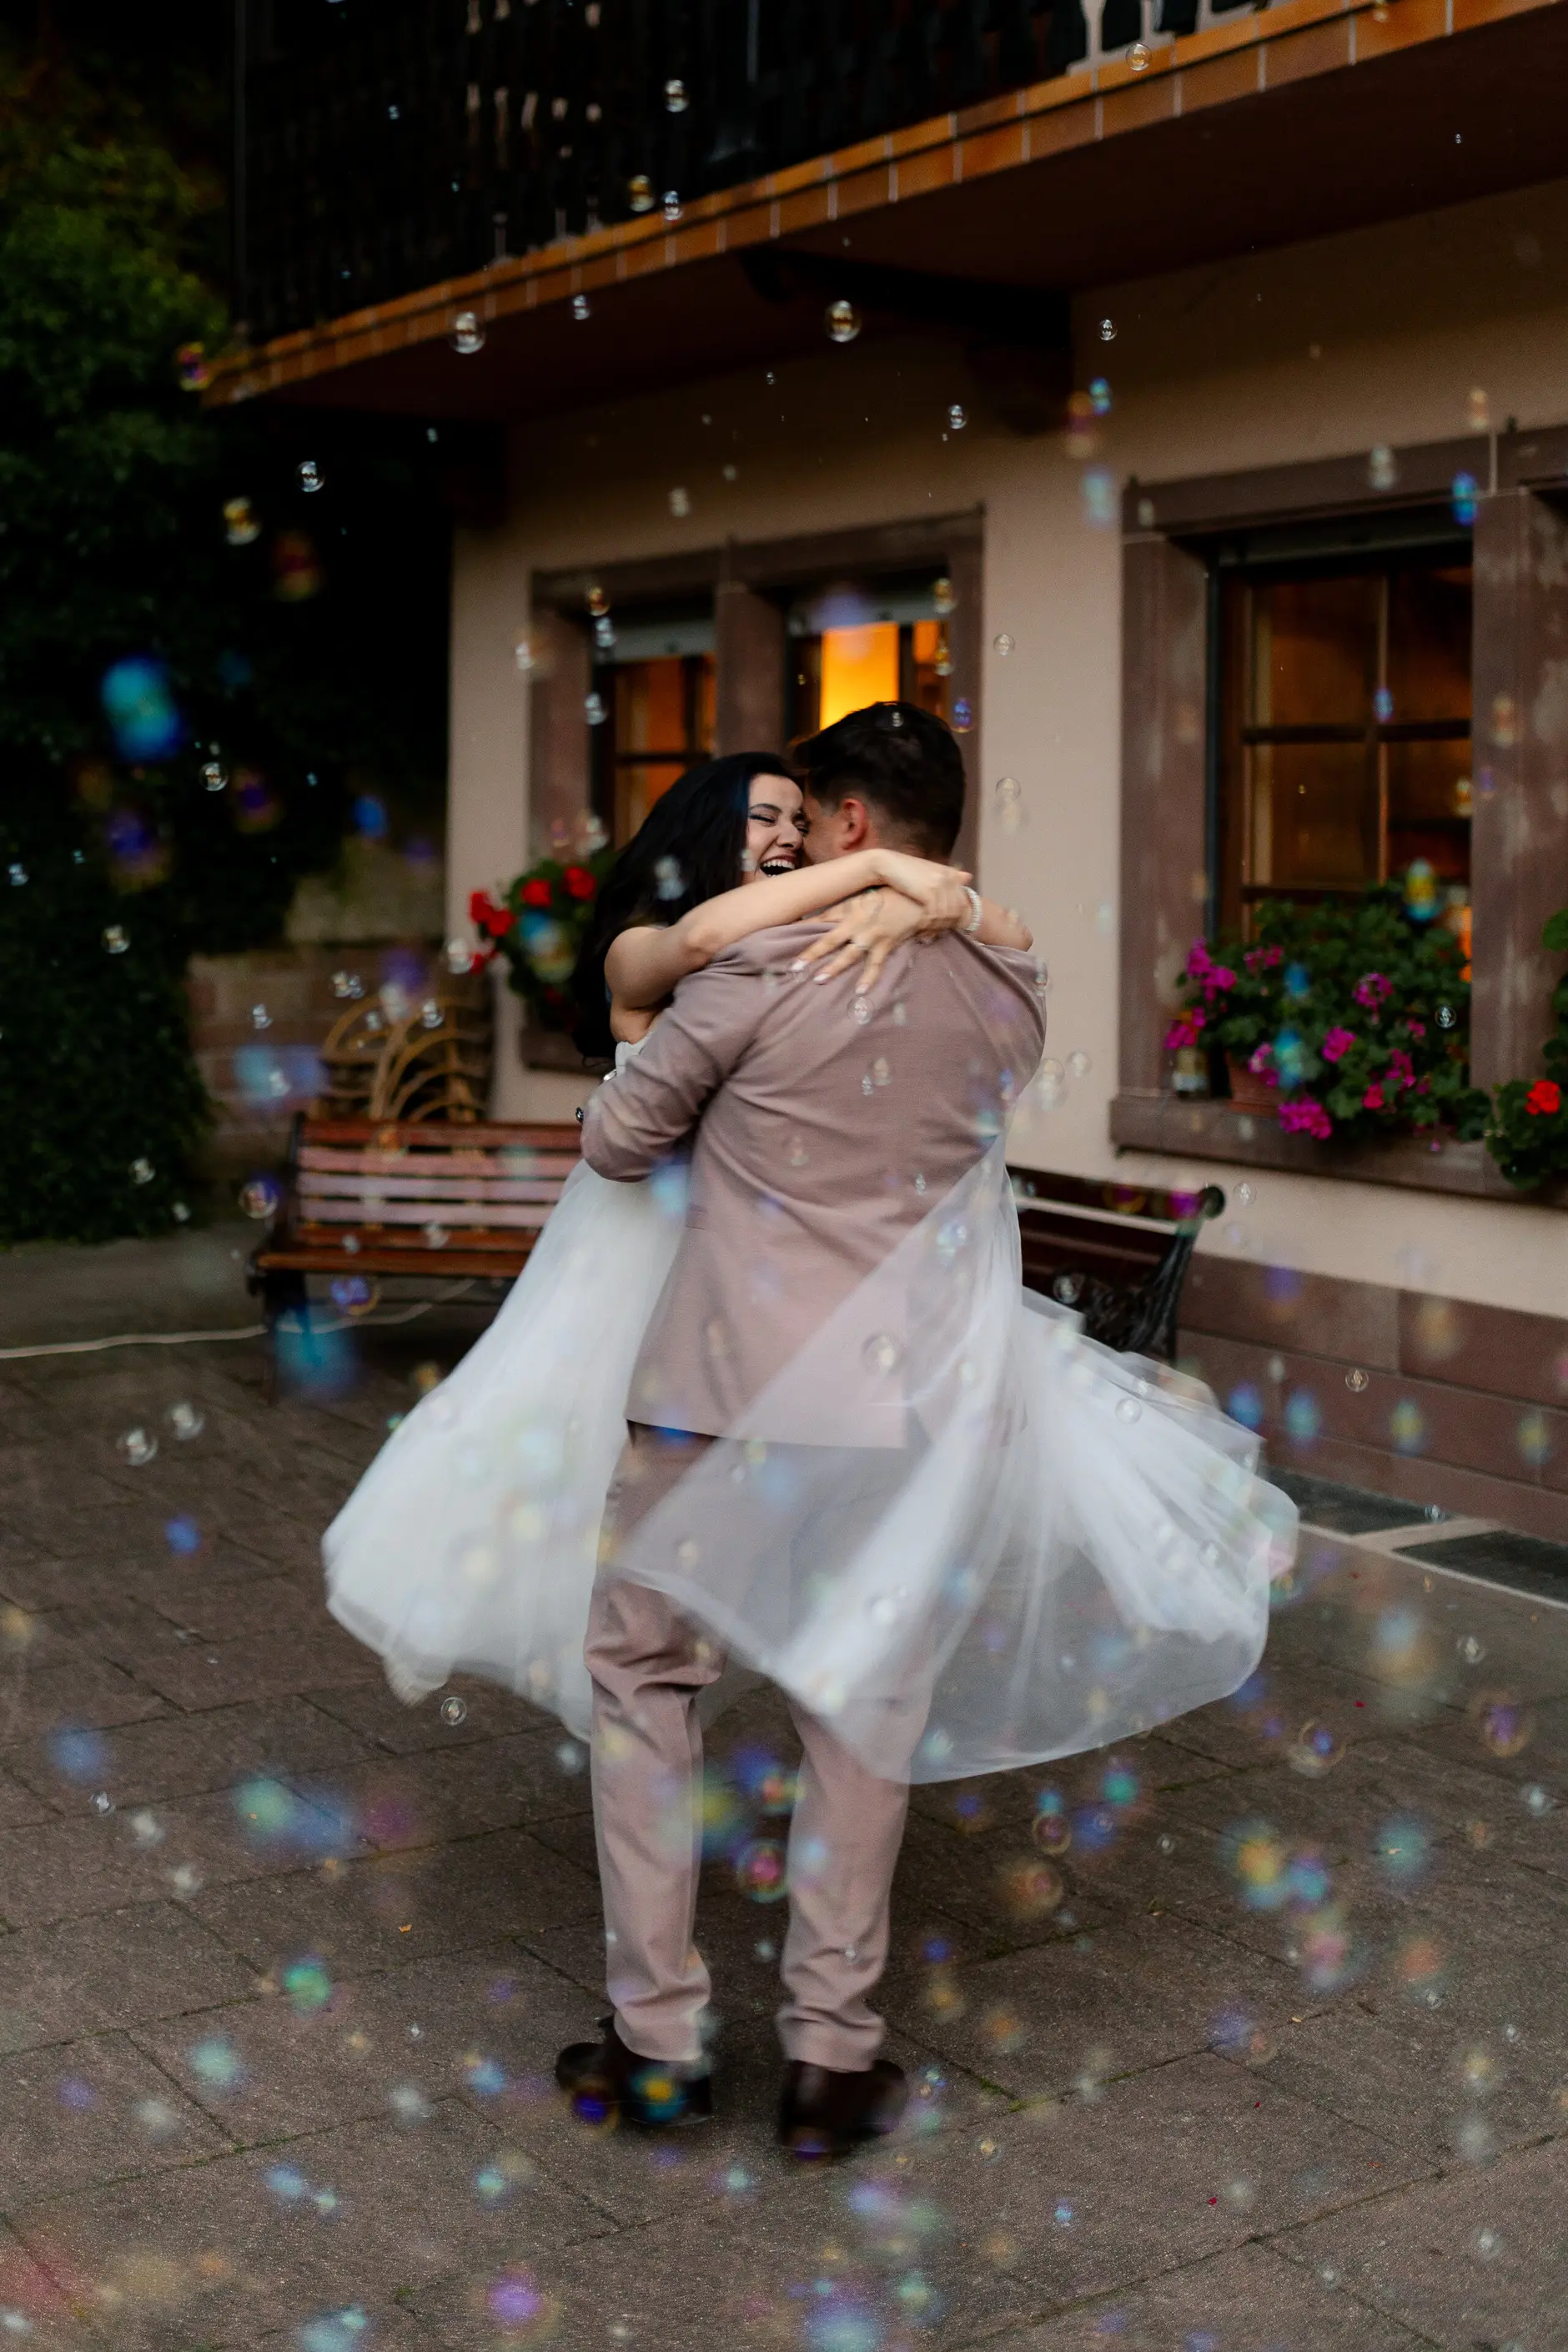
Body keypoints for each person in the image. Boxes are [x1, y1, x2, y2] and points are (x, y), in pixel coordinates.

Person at [555, 703, 1296, 2159]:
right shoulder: (1011, 986)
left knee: (646, 1681)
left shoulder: (758, 963)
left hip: (716, 1389)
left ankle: (658, 2049)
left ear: (841, 829)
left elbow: (616, 1141)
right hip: (901, 1407)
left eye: (808, 822)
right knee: (864, 1704)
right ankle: (832, 2065)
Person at [323, 746, 1027, 1726]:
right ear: (705, 830)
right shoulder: (648, 943)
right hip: (648, 1239)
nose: (784, 837)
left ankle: (668, 1686)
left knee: (729, 1517)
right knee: (598, 1477)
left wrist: (907, 898)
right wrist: (873, 870)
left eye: (796, 819)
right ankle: (643, 1683)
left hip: (744, 1257)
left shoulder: (802, 946)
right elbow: (694, 948)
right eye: (761, 818)